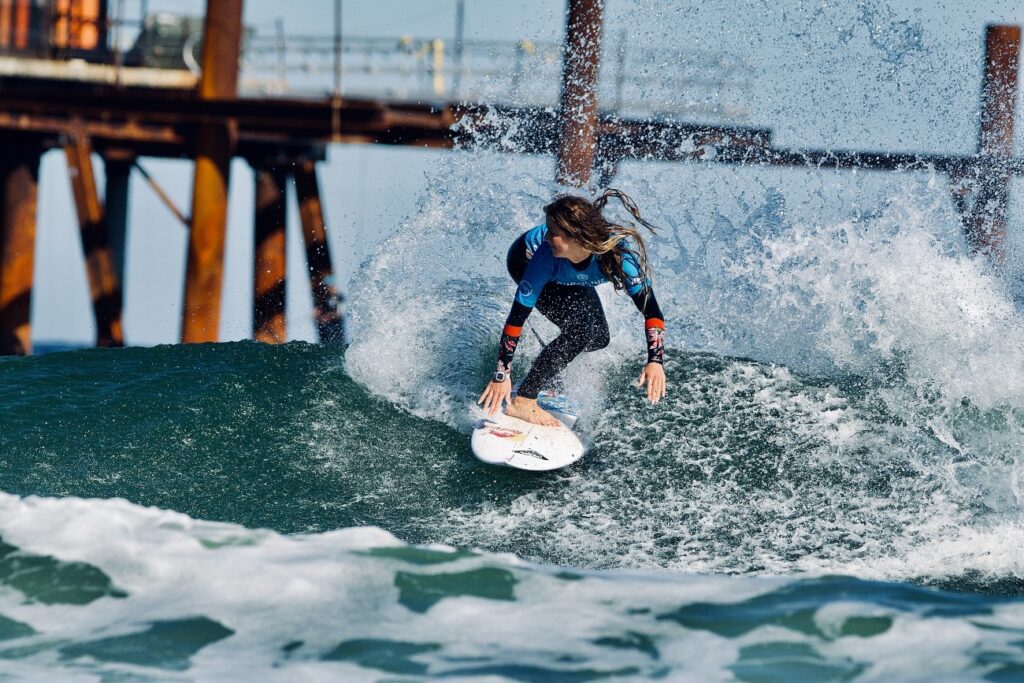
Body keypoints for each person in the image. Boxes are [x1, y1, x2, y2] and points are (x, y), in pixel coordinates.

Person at [478, 189, 667, 427]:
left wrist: (655, 361)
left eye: (553, 232)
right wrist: (501, 374)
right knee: (579, 332)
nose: (546, 237)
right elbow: (516, 319)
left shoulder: (620, 257)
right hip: (523, 260)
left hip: (571, 268)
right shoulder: (544, 254)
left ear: (576, 236)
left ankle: (548, 365)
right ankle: (523, 401)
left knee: (598, 337)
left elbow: (652, 312)